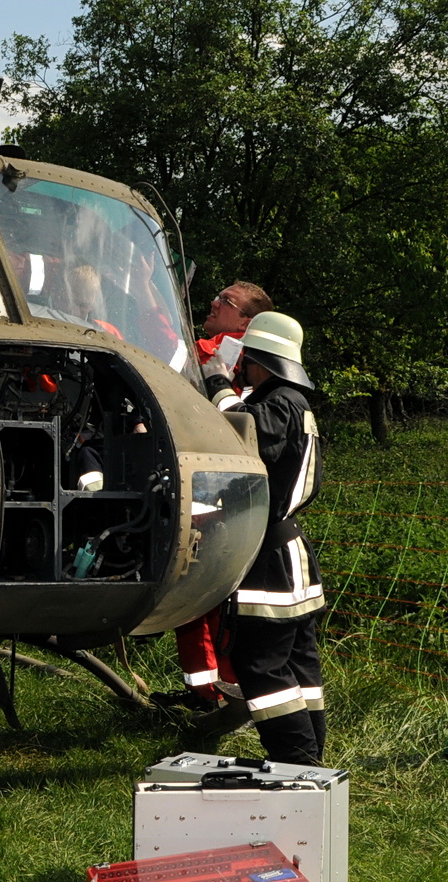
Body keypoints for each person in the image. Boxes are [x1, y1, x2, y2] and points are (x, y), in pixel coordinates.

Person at [207, 310, 327, 764]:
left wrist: (217, 385)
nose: (244, 370)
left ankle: (296, 765)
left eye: (247, 361)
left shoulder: (279, 403)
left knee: (262, 669)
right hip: (289, 553)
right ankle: (311, 763)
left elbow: (243, 435)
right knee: (300, 668)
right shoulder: (295, 402)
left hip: (270, 563)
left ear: (262, 361)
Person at [154, 280, 277, 716]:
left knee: (202, 598)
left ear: (246, 321)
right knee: (208, 601)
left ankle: (213, 697)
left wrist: (150, 293)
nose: (214, 303)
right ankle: (210, 692)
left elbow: (176, 346)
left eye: (226, 302)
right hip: (226, 491)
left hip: (215, 492)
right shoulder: (254, 357)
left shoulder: (227, 349)